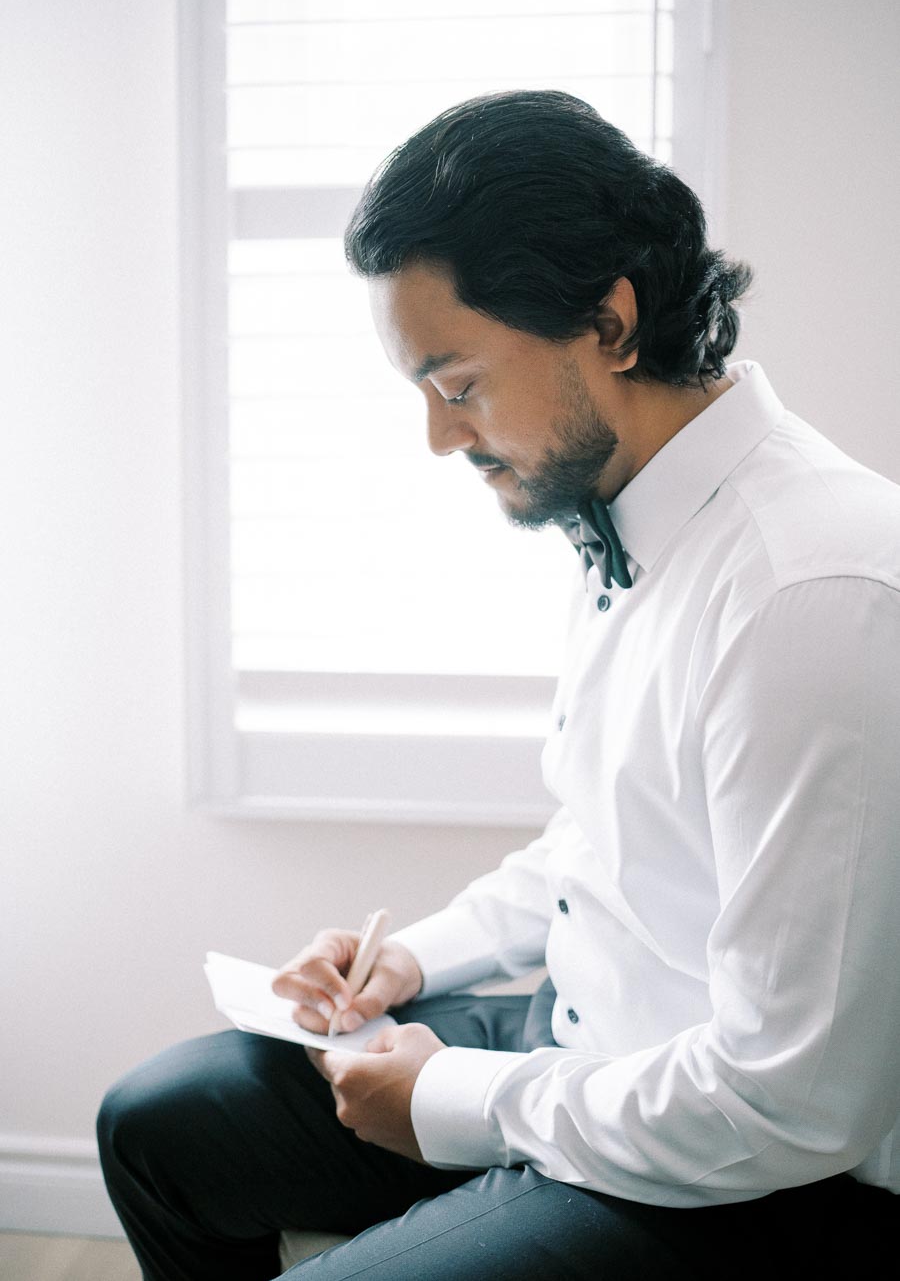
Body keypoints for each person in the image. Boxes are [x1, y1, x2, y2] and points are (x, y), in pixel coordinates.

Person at [98, 91, 900, 1280]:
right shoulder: (624, 511)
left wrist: (462, 1097)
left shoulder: (813, 595)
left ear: (611, 324)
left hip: (748, 1172)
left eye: (458, 383)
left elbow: (794, 1105)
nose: (437, 438)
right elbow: (606, 844)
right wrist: (413, 962)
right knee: (160, 1121)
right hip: (576, 1042)